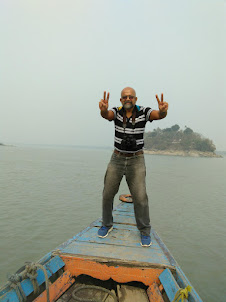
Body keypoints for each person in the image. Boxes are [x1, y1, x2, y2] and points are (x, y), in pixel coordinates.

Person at [98, 87, 168, 247]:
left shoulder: (144, 111)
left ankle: (144, 231)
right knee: (107, 194)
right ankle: (106, 224)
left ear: (135, 99)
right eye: (124, 97)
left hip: (136, 160)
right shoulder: (116, 111)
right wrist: (103, 110)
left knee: (141, 198)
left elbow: (158, 115)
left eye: (130, 97)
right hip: (116, 159)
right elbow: (106, 115)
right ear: (121, 100)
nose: (127, 99)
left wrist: (163, 111)